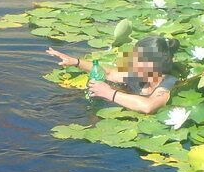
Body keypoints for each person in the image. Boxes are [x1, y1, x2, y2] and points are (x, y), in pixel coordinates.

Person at [46, 36, 180, 114]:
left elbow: (148, 106)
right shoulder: (139, 74)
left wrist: (109, 93)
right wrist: (75, 62)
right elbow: (109, 72)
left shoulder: (169, 84)